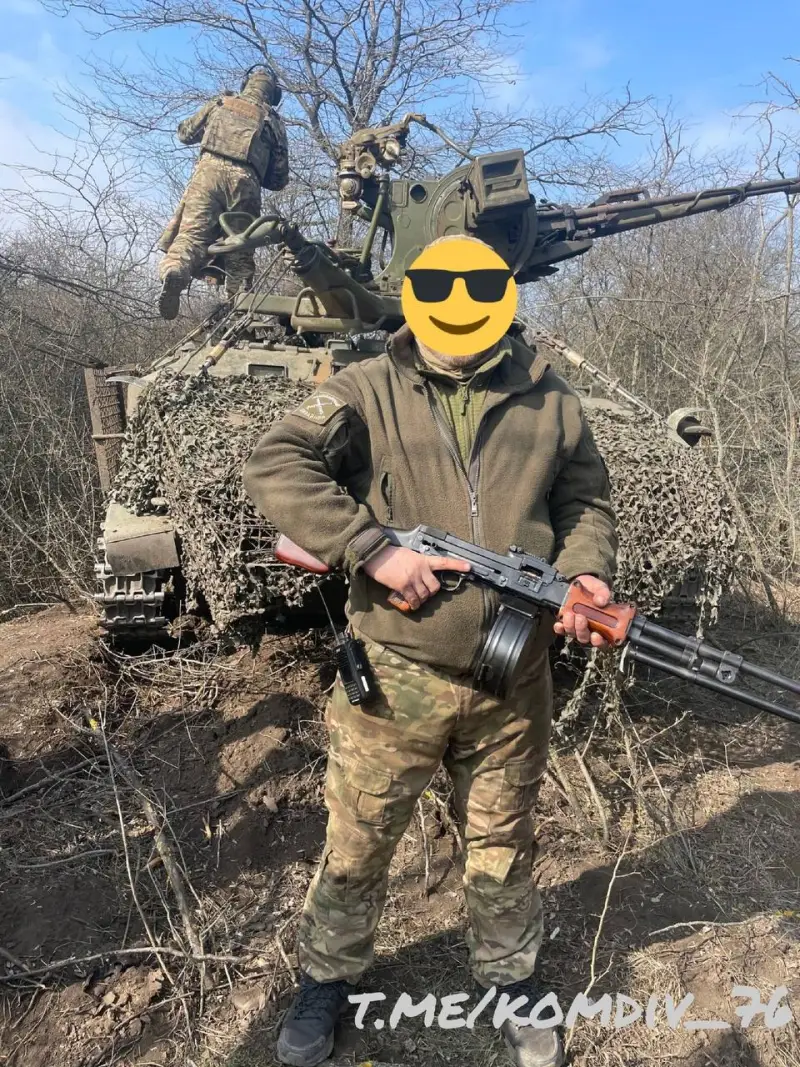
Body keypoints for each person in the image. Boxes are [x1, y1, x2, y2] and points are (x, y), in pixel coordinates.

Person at [242, 234, 618, 1067]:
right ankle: (326, 979)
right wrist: (370, 548)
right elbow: (275, 462)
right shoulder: (366, 387)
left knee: (503, 840)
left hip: (514, 675)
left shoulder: (550, 398)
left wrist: (585, 573)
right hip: (395, 674)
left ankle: (512, 982)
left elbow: (586, 500)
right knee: (360, 838)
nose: (460, 315)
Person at [157, 67, 289, 320]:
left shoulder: (221, 102)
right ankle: (238, 310)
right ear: (273, 95)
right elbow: (278, 179)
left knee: (191, 236)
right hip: (246, 184)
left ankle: (175, 271)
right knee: (241, 249)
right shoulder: (273, 122)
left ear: (246, 84)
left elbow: (185, 134)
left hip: (207, 175)